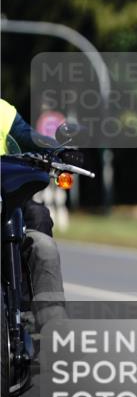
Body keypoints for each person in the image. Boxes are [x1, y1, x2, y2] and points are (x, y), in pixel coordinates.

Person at [0, 98, 67, 333]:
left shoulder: (3, 111)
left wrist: (58, 150)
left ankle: (45, 325)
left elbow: (30, 138)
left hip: (6, 197)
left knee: (39, 220)